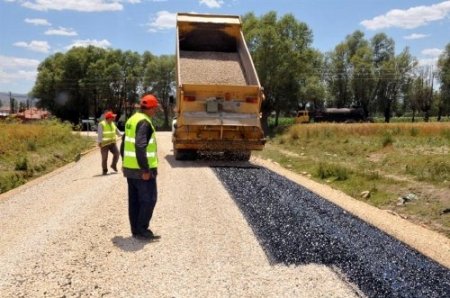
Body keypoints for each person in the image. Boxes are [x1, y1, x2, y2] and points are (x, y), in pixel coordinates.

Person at [121, 94, 161, 241]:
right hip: (142, 171)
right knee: (149, 199)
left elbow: (124, 143)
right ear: (150, 108)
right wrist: (145, 169)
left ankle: (136, 230)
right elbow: (139, 145)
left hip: (130, 169)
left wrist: (124, 162)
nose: (156, 110)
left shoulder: (132, 119)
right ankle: (142, 229)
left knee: (135, 201)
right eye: (155, 107)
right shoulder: (145, 122)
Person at [97, 111, 122, 175]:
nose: (114, 118)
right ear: (109, 118)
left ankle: (113, 165)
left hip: (112, 143)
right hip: (104, 144)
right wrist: (99, 142)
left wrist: (122, 135)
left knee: (117, 154)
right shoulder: (101, 124)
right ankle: (104, 170)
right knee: (104, 157)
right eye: (113, 117)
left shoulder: (112, 124)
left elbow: (117, 131)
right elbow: (100, 134)